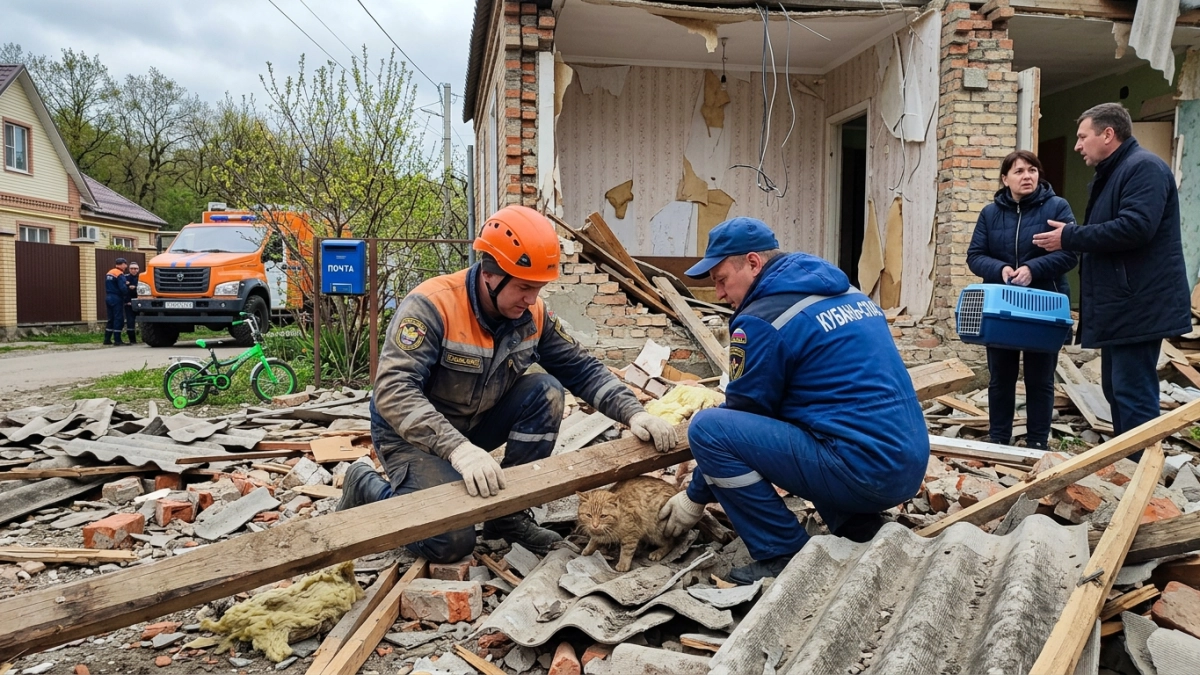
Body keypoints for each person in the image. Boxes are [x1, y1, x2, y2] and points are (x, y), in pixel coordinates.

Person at [338, 205, 677, 563]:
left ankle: (507, 516)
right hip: (411, 435)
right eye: (524, 287)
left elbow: (581, 369)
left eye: (539, 288)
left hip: (474, 426)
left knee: (546, 391)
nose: (532, 299)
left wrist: (634, 414)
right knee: (449, 542)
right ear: (489, 273)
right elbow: (393, 390)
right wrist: (458, 450)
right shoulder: (433, 306)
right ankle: (366, 486)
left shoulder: (533, 315)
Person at [657, 217, 929, 585]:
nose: (719, 293)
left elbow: (744, 414)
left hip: (864, 473)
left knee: (708, 428)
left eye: (721, 280)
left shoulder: (763, 317)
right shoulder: (847, 293)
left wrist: (694, 497)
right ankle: (857, 525)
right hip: (908, 463)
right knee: (819, 417)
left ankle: (781, 551)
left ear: (753, 263)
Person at [1033, 103, 1191, 440]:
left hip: (1140, 304)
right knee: (1116, 389)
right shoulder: (1113, 174)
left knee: (1132, 392)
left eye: (1082, 137)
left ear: (1108, 134)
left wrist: (1070, 237)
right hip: (1122, 305)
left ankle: (1140, 465)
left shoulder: (1143, 168)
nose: (1077, 146)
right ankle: (1126, 462)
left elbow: (1136, 227)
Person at [967, 150, 1078, 449]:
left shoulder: (1057, 207)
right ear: (1005, 179)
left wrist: (1032, 269)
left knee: (1040, 379)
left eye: (1032, 170)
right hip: (1001, 308)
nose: (1027, 176)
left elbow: (1071, 253)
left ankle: (1038, 443)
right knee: (1000, 377)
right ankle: (998, 439)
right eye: (1019, 171)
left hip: (1044, 306)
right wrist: (1000, 269)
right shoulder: (990, 214)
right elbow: (975, 256)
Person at [103, 258, 129, 346]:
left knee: (111, 318)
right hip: (116, 298)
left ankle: (107, 339)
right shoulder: (119, 274)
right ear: (123, 264)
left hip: (108, 297)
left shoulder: (109, 272)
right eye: (125, 264)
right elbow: (123, 288)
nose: (126, 266)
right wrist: (127, 293)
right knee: (118, 318)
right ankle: (117, 340)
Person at [122, 262, 141, 346]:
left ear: (138, 269)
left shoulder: (141, 277)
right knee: (130, 322)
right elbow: (122, 290)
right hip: (129, 303)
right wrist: (127, 301)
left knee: (144, 321)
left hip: (140, 303)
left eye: (135, 268)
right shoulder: (125, 277)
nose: (134, 270)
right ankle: (132, 340)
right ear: (129, 269)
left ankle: (145, 338)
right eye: (132, 268)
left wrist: (135, 287)